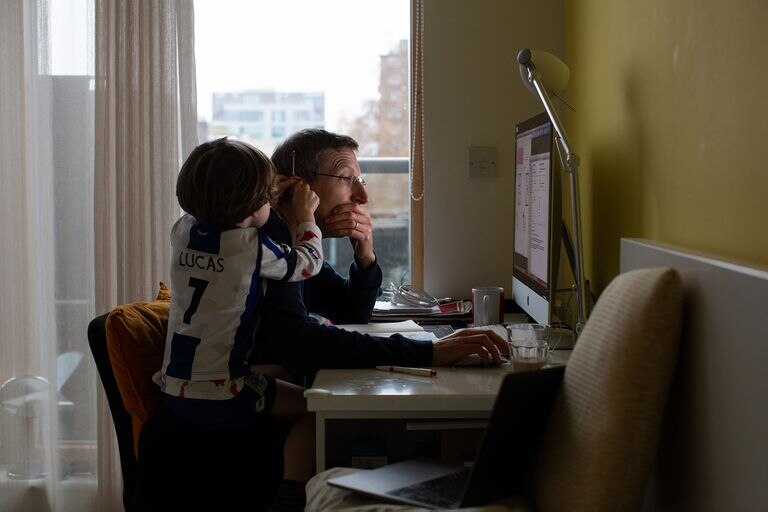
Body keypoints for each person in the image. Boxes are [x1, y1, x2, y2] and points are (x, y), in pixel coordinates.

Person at [253, 129, 508, 383]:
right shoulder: (272, 244)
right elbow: (301, 341)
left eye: (360, 181)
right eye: (346, 178)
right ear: (300, 187)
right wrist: (429, 352)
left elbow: (351, 314)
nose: (362, 197)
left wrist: (365, 257)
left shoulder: (295, 240)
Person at [154, 137, 321, 511]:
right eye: (266, 198)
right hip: (221, 394)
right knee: (316, 407)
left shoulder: (182, 232)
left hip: (176, 386)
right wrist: (306, 216)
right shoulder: (252, 249)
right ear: (253, 206)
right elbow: (308, 262)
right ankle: (291, 491)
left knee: (282, 371)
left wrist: (256, 197)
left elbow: (222, 208)